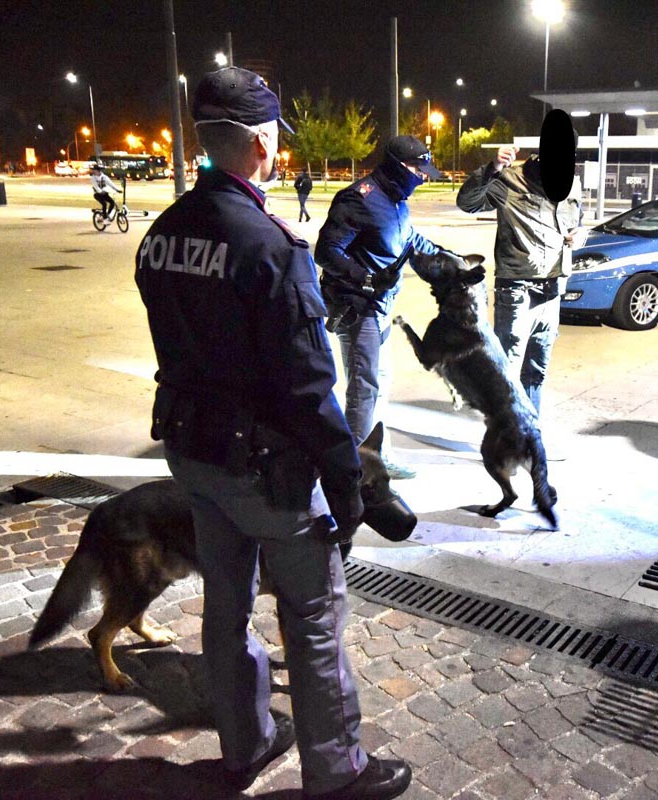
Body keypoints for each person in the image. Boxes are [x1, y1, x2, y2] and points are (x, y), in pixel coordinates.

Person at [134, 66, 411, 799]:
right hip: (266, 471)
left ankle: (245, 744)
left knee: (225, 606)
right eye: (276, 140)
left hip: (194, 454)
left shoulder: (162, 233)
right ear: (260, 145)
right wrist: (347, 483)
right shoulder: (269, 246)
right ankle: (338, 770)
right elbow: (310, 386)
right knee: (313, 613)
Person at [315, 135, 445, 480]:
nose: (424, 177)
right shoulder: (359, 200)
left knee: (380, 383)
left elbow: (410, 241)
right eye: (419, 170)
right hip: (358, 306)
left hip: (382, 305)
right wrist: (367, 278)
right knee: (365, 386)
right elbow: (326, 252)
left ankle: (378, 455)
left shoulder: (398, 201)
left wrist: (448, 260)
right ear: (399, 167)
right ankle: (354, 472)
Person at [455, 144, 585, 417]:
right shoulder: (510, 179)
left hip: (554, 288)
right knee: (508, 370)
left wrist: (579, 234)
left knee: (537, 369)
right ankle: (504, 439)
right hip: (517, 290)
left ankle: (529, 432)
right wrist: (493, 169)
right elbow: (467, 203)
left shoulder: (573, 183)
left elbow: (576, 221)